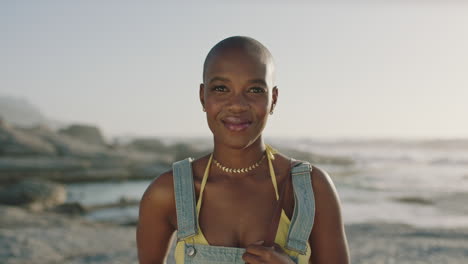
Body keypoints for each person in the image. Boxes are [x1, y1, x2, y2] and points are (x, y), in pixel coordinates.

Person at [136, 36, 350, 264]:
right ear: (202, 96)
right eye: (221, 88)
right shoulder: (167, 193)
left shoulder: (311, 188)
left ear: (274, 99)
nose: (237, 104)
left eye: (255, 90)